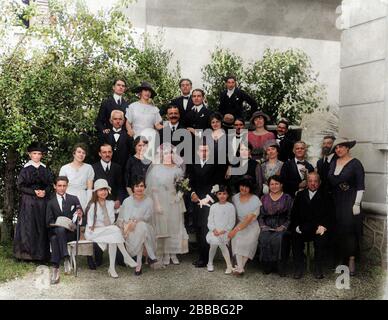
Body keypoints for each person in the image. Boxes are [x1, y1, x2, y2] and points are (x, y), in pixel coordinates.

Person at [146, 143, 189, 265]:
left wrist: (179, 195)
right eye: (165, 153)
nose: (168, 155)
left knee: (174, 225)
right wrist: (157, 204)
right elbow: (153, 188)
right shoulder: (156, 169)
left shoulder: (177, 169)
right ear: (161, 155)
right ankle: (165, 253)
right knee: (163, 226)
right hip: (160, 199)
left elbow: (182, 185)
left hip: (174, 200)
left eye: (170, 152)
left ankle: (173, 253)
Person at [84, 179, 137, 278]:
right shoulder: (92, 205)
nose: (103, 192)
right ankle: (126, 256)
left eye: (105, 190)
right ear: (96, 192)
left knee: (113, 238)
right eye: (100, 190)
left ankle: (112, 269)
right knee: (115, 230)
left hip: (109, 232)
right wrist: (108, 229)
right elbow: (91, 226)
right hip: (94, 232)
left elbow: (123, 209)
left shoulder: (110, 203)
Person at [327, 138, 365, 276]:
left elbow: (361, 187)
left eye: (341, 147)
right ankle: (341, 259)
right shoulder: (333, 162)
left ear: (348, 148)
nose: (338, 150)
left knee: (349, 231)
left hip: (350, 201)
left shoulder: (356, 164)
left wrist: (356, 204)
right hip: (335, 201)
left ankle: (351, 260)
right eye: (336, 148)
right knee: (337, 230)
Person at [14, 142, 54, 261]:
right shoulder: (25, 169)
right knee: (29, 226)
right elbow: (20, 186)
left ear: (41, 155)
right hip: (28, 201)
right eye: (34, 153)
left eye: (39, 154)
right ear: (30, 155)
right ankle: (26, 255)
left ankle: (41, 255)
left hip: (42, 202)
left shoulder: (44, 168)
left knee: (41, 226)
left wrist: (45, 192)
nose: (37, 156)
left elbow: (49, 184)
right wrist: (33, 192)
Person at [291, 172, 331, 279]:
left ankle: (318, 267)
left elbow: (329, 215)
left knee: (321, 240)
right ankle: (299, 267)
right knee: (295, 238)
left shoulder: (326, 196)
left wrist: (324, 226)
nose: (313, 183)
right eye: (310, 181)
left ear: (319, 182)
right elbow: (294, 214)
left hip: (318, 229)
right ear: (306, 182)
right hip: (302, 228)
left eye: (315, 181)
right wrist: (296, 226)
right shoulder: (300, 195)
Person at [187, 144, 219, 267]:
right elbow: (189, 181)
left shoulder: (215, 164)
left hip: (209, 201)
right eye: (201, 150)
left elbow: (218, 183)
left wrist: (207, 199)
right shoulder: (192, 164)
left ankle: (205, 258)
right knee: (198, 228)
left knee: (206, 228)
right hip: (196, 200)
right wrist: (193, 194)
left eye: (206, 149)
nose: (204, 152)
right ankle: (201, 255)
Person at [46, 176, 83, 284]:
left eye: (64, 185)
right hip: (57, 231)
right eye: (59, 186)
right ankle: (65, 259)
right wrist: (58, 224)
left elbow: (80, 217)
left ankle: (55, 270)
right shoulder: (50, 202)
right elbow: (48, 222)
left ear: (67, 186)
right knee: (58, 232)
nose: (62, 188)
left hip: (71, 233)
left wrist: (80, 215)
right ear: (55, 186)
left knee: (54, 238)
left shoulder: (74, 199)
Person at [117, 177, 158, 276]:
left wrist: (136, 220)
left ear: (144, 187)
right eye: (137, 186)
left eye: (141, 186)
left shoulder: (149, 201)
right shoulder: (127, 201)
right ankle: (151, 255)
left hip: (146, 228)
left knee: (142, 227)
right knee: (140, 230)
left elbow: (148, 217)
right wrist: (131, 223)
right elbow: (122, 218)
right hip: (129, 230)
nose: (139, 188)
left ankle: (138, 266)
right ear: (133, 188)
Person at [258, 175, 292, 277]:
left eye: (277, 184)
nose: (274, 186)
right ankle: (268, 266)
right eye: (272, 184)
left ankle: (280, 266)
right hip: (267, 225)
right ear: (268, 186)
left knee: (280, 238)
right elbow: (260, 216)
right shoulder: (263, 198)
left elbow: (290, 216)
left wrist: (284, 226)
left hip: (282, 225)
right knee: (264, 237)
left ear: (281, 185)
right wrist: (263, 226)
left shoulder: (287, 198)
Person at [228, 176, 261, 275]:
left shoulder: (255, 199)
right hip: (239, 223)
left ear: (250, 188)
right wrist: (233, 229)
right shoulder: (234, 198)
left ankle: (240, 266)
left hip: (251, 225)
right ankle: (240, 267)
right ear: (239, 186)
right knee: (237, 239)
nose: (244, 188)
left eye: (247, 187)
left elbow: (248, 219)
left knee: (249, 241)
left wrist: (235, 230)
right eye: (242, 186)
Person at [206, 185, 236, 274]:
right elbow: (210, 220)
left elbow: (232, 221)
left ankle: (229, 266)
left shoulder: (230, 206)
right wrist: (214, 230)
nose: (222, 196)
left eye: (224, 194)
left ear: (228, 195)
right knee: (213, 245)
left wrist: (224, 230)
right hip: (214, 232)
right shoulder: (213, 207)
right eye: (220, 194)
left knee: (222, 245)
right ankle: (210, 263)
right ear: (216, 195)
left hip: (225, 232)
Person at [59, 143, 94, 211]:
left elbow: (89, 188)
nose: (81, 154)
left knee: (82, 219)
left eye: (83, 153)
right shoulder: (64, 168)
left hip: (83, 197)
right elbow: (61, 187)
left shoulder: (89, 168)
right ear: (74, 153)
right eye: (79, 152)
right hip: (68, 196)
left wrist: (89, 202)